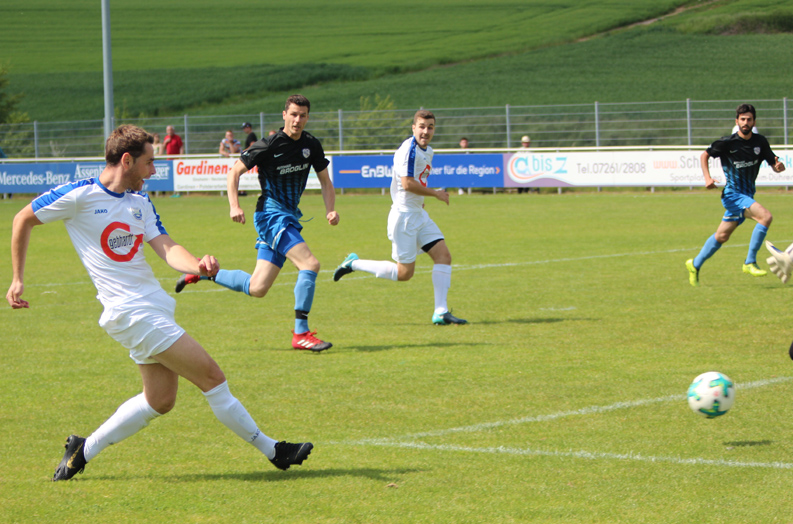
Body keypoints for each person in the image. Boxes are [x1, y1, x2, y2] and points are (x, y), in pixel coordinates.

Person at [6, 125, 312, 481]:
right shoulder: (80, 196)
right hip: (130, 313)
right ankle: (273, 450)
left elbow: (166, 247)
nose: (153, 171)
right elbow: (22, 218)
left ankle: (82, 449)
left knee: (160, 401)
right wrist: (17, 278)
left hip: (154, 306)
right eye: (149, 163)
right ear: (126, 160)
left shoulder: (139, 202)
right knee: (212, 377)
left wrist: (198, 265)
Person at [175, 95, 339, 352]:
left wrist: (331, 210)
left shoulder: (311, 145)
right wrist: (234, 205)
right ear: (284, 114)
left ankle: (204, 273)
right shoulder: (268, 144)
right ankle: (301, 334)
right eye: (293, 114)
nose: (297, 120)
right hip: (271, 215)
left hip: (287, 216)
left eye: (303, 115)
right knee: (310, 264)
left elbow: (326, 182)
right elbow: (234, 172)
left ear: (307, 117)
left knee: (258, 287)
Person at [332, 109, 467, 326]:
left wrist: (422, 200)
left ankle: (440, 312)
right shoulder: (409, 150)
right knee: (404, 274)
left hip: (418, 215)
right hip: (403, 218)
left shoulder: (427, 150)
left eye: (430, 127)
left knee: (443, 256)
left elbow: (414, 183)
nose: (425, 131)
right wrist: (436, 194)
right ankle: (354, 263)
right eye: (421, 126)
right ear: (413, 127)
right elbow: (406, 183)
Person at [684, 103, 786, 286]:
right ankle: (750, 262)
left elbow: (775, 165)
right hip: (732, 195)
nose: (745, 122)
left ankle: (695, 264)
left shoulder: (760, 142)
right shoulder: (727, 143)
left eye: (749, 119)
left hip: (746, 196)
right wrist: (707, 178)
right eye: (742, 119)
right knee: (765, 217)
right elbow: (704, 155)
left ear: (754, 121)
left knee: (722, 236)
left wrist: (779, 167)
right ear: (737, 121)